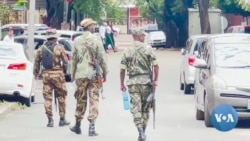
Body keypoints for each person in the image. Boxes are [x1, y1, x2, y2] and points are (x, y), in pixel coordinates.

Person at [70, 18, 108, 136]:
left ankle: (77, 125)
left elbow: (74, 59)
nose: (94, 27)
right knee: (94, 99)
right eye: (92, 25)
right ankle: (92, 127)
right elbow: (102, 57)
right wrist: (105, 72)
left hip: (80, 74)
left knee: (80, 99)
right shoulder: (96, 40)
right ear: (88, 27)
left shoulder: (77, 41)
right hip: (94, 74)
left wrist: (72, 75)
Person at [119, 28, 159, 141]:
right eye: (143, 35)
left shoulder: (127, 50)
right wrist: (156, 80)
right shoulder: (148, 49)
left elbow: (122, 70)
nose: (144, 37)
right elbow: (156, 65)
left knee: (136, 109)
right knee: (146, 109)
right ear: (138, 36)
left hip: (133, 84)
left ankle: (140, 131)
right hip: (147, 83)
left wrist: (122, 83)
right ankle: (143, 131)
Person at [33, 29, 70, 127]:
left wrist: (36, 73)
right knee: (61, 97)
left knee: (47, 98)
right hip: (58, 75)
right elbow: (65, 62)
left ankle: (50, 120)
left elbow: (36, 62)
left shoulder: (41, 49)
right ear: (55, 38)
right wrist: (65, 72)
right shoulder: (60, 48)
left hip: (46, 75)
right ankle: (62, 119)